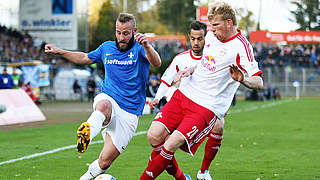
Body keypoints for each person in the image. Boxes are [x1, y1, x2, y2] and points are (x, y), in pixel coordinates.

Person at [140, 2, 263, 180]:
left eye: (216, 25)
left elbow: (258, 81)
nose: (211, 30)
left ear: (229, 22)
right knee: (154, 136)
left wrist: (242, 79)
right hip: (185, 94)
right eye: (211, 25)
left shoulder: (242, 46)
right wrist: (191, 69)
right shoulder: (212, 37)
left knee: (171, 144)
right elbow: (207, 61)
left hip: (207, 105)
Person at [45, 13, 161, 180]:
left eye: (126, 33)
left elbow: (156, 62)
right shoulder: (106, 48)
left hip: (129, 111)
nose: (121, 37)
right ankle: (87, 135)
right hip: (109, 97)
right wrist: (60, 51)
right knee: (103, 106)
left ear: (134, 31)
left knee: (105, 162)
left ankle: (83, 178)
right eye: (118, 32)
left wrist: (148, 46)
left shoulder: (140, 48)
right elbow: (84, 57)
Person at [150, 20, 225, 179]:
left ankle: (203, 171)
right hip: (181, 105)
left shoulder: (214, 59)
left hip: (204, 107)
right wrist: (157, 98)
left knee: (219, 125)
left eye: (200, 38)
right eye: (193, 38)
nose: (196, 43)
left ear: (207, 38)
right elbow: (166, 79)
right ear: (189, 38)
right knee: (160, 139)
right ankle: (180, 177)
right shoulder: (180, 59)